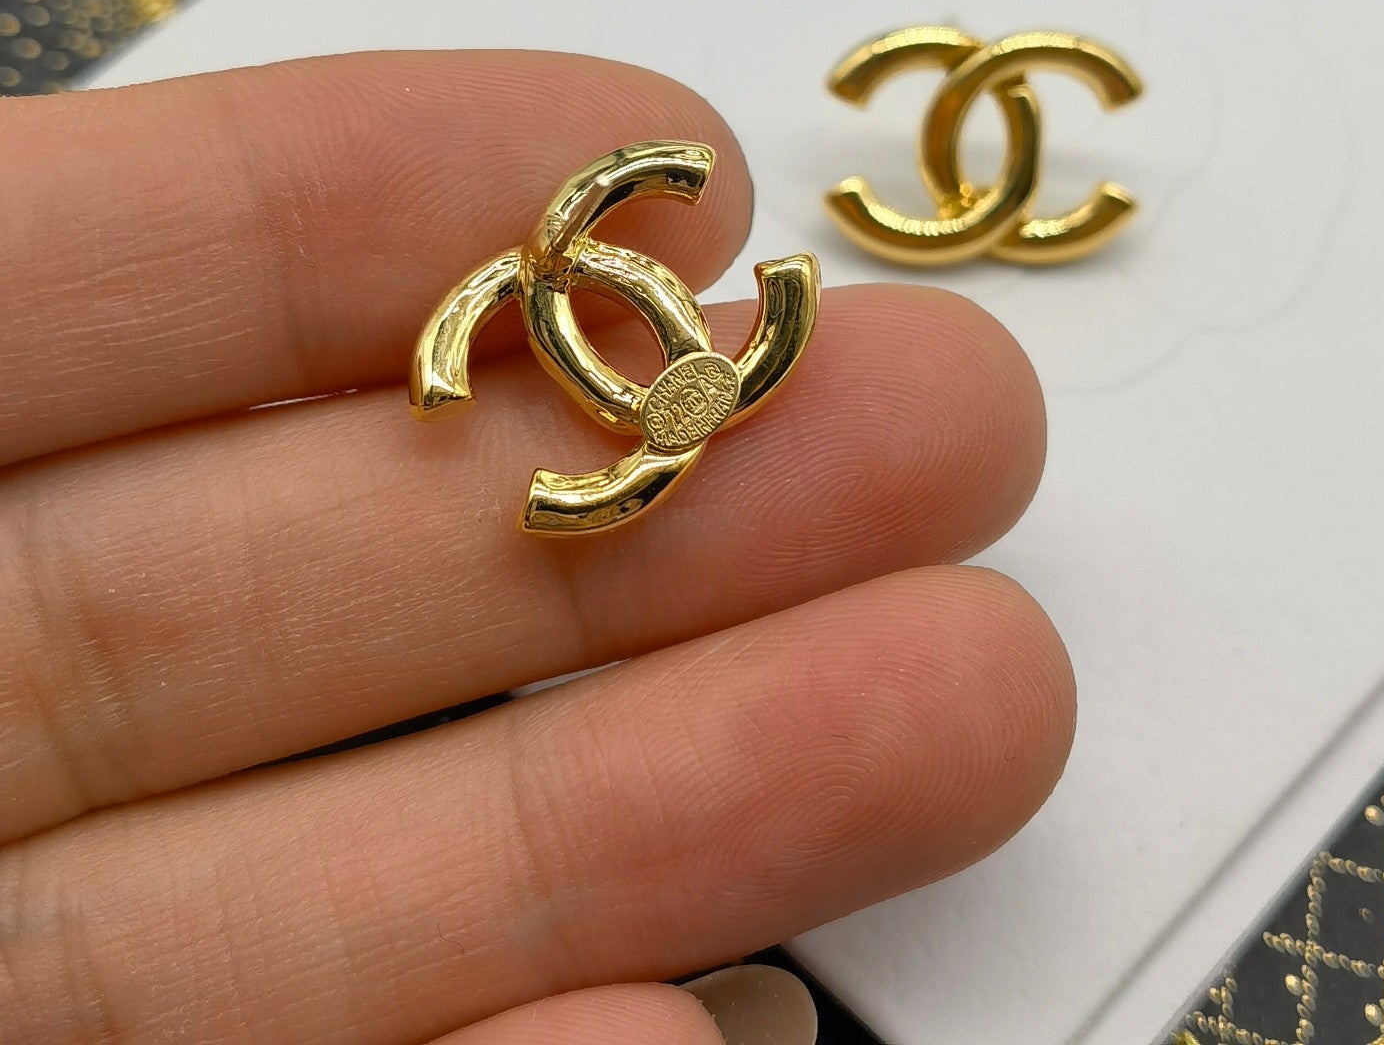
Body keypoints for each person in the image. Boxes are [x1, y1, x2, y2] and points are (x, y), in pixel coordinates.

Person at [0, 51, 1074, 1045]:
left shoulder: (614, 345)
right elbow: (528, 299)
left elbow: (557, 329)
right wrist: (456, 382)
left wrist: (497, 410)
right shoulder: (549, 284)